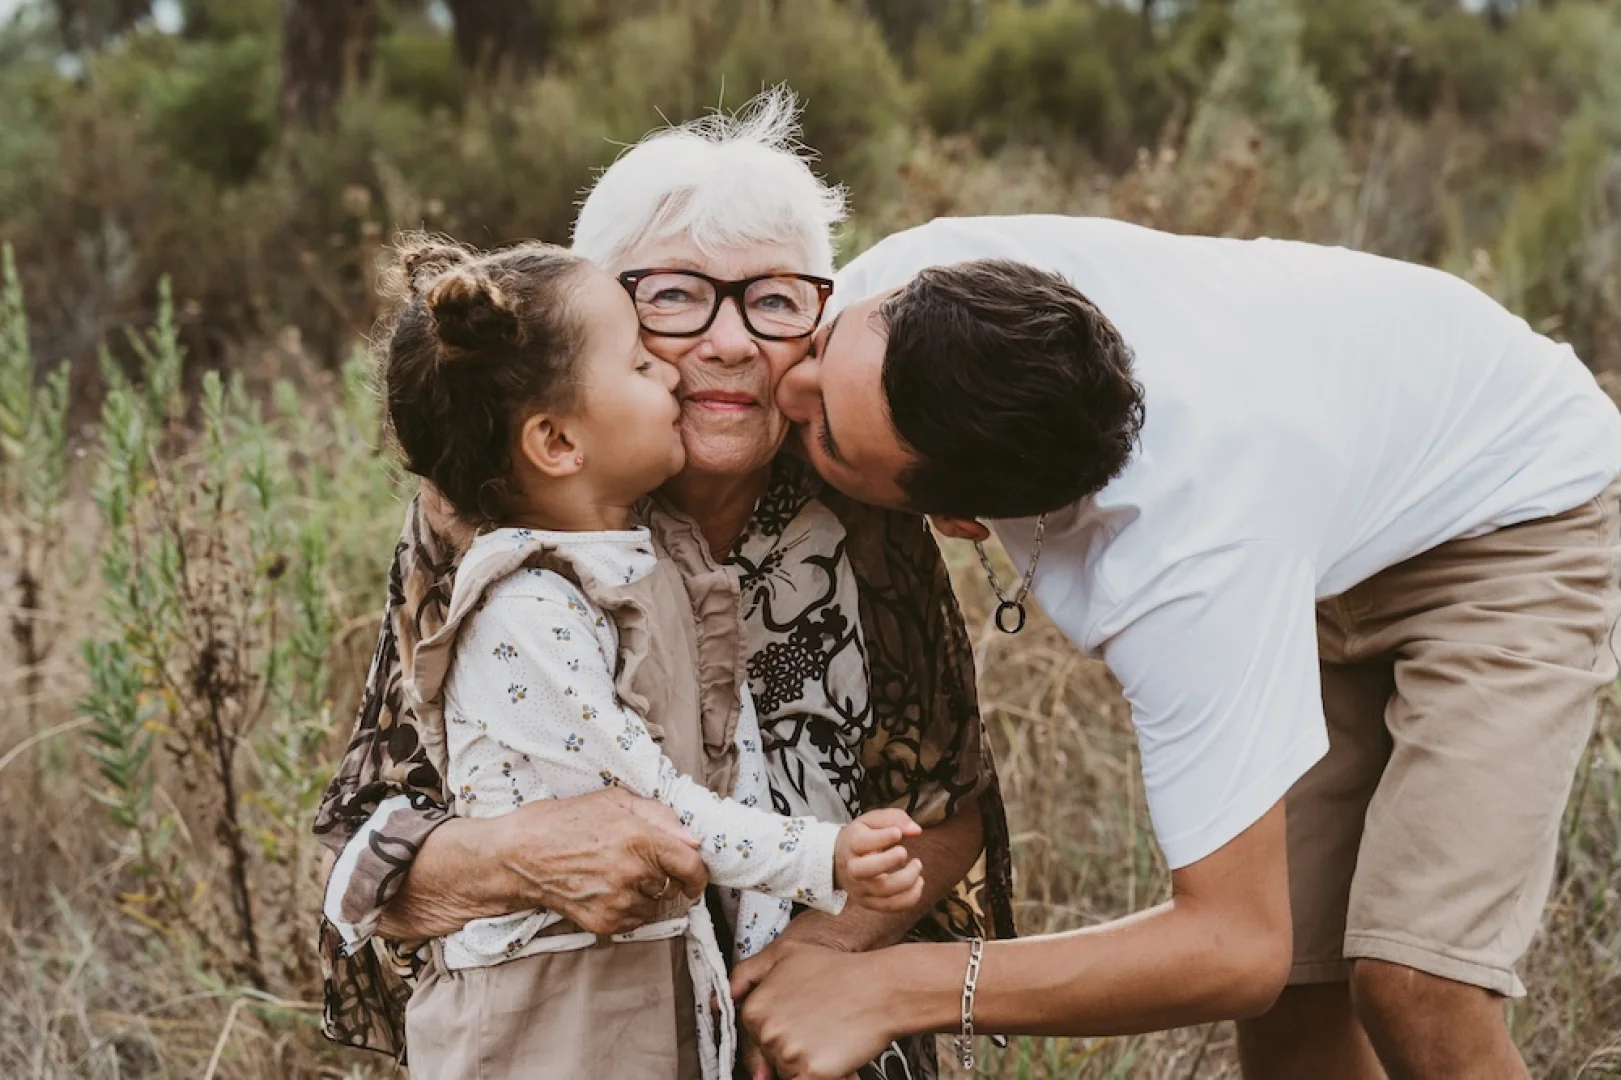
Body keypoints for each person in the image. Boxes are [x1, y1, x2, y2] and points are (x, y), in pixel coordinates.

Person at [739, 214, 1621, 1080]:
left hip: (1511, 508)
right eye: (824, 353)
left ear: (961, 519)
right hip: (1314, 492)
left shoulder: (1181, 567)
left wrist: (894, 988)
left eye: (825, 436)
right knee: (1297, 1005)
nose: (790, 390)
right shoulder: (887, 294)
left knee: (1418, 986)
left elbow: (1232, 946)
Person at [312, 92, 1016, 1080]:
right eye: (675, 297)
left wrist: (811, 963)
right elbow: (366, 850)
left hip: (816, 1035)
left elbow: (948, 803)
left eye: (776, 300)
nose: (730, 342)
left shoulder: (854, 492)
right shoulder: (491, 514)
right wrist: (517, 859)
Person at [370, 235, 926, 1078]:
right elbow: (654, 807)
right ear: (558, 444)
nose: (671, 373)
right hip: (547, 1006)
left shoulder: (652, 557)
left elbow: (731, 762)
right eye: (639, 361)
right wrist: (824, 857)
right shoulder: (528, 608)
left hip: (650, 976)